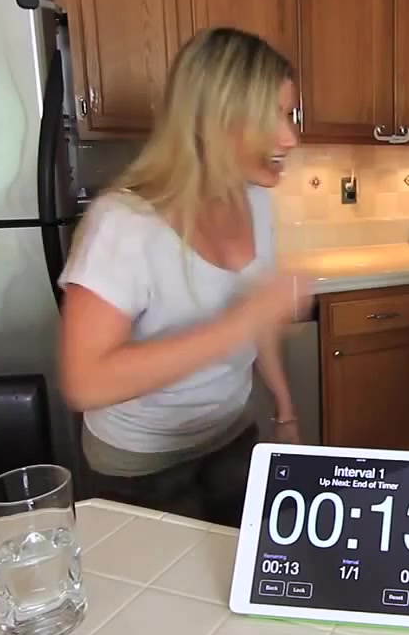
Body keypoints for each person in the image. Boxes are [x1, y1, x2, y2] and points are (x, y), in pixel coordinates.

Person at [57, 28, 307, 527]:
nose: (290, 138)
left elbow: (257, 318)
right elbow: (84, 382)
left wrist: (285, 411)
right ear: (213, 122)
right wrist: (236, 326)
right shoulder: (124, 223)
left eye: (289, 115)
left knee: (237, 567)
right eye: (271, 118)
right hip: (140, 465)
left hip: (231, 436)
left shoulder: (256, 201)